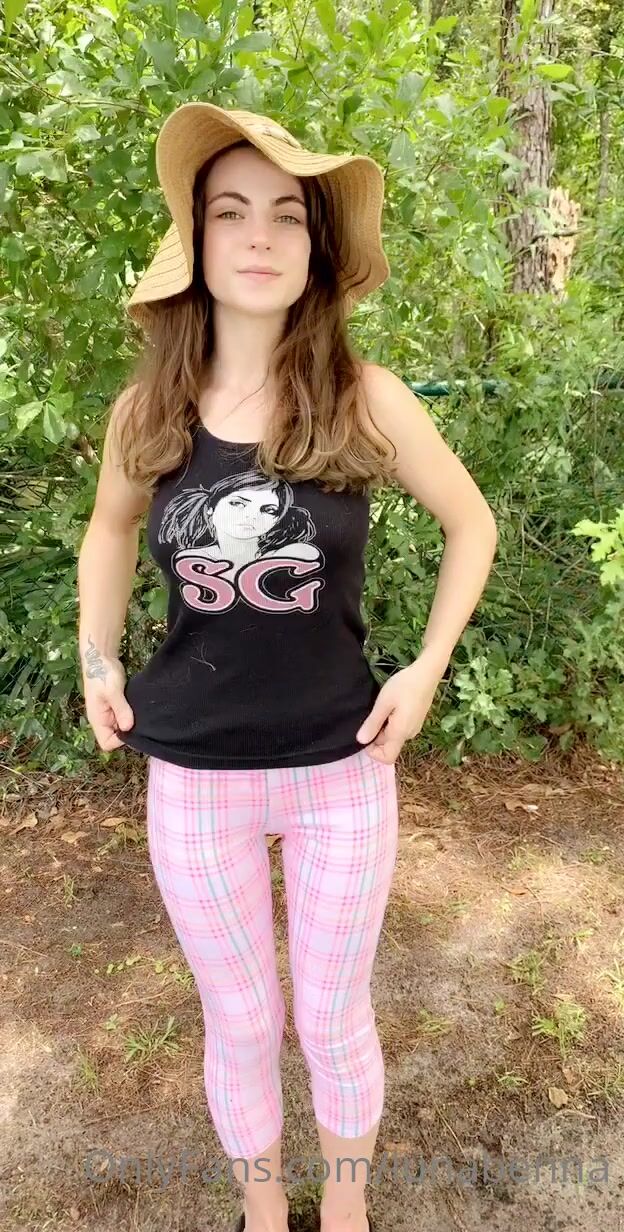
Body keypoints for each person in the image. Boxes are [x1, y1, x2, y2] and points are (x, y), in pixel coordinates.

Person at [77, 104, 498, 1232]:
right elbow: (109, 531)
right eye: (231, 212)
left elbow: (472, 524)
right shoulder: (148, 411)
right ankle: (264, 1214)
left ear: (315, 249)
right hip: (193, 775)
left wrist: (427, 667)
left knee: (333, 1017)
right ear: (198, 242)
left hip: (340, 768)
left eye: (285, 215)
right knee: (240, 1020)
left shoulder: (366, 397)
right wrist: (96, 657)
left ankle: (346, 1214)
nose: (259, 235)